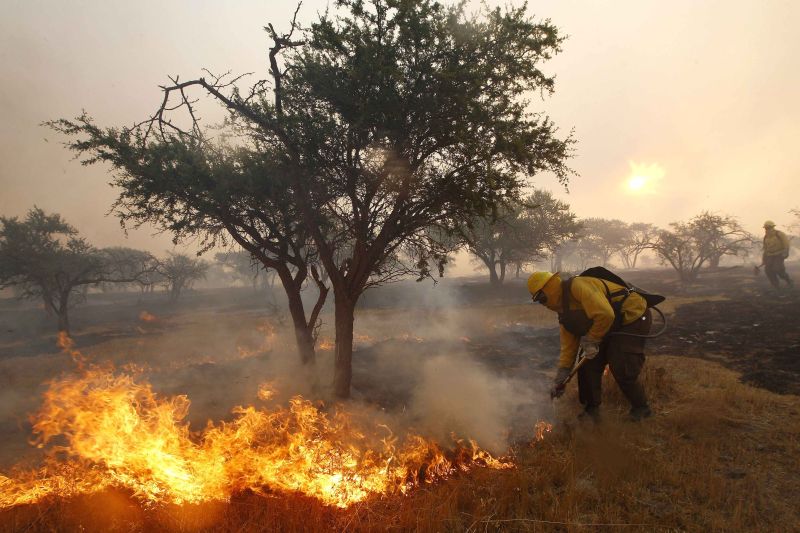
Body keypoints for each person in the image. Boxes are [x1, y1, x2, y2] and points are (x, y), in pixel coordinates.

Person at [528, 269, 653, 421]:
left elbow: (605, 313)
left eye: (541, 297)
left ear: (550, 288)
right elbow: (568, 348)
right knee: (587, 364)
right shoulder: (564, 314)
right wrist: (562, 375)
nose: (542, 303)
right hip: (609, 325)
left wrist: (591, 340)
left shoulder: (577, 285)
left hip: (632, 315)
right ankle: (592, 410)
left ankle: (641, 408)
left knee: (621, 361)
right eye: (538, 300)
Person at [762, 220, 793, 290]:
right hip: (769, 255)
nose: (767, 229)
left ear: (773, 227)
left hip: (779, 254)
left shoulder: (780, 234)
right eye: (766, 228)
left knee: (778, 269)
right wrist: (764, 259)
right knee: (768, 270)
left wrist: (786, 253)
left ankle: (789, 281)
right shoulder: (766, 237)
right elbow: (765, 248)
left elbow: (786, 244)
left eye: (769, 227)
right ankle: (775, 285)